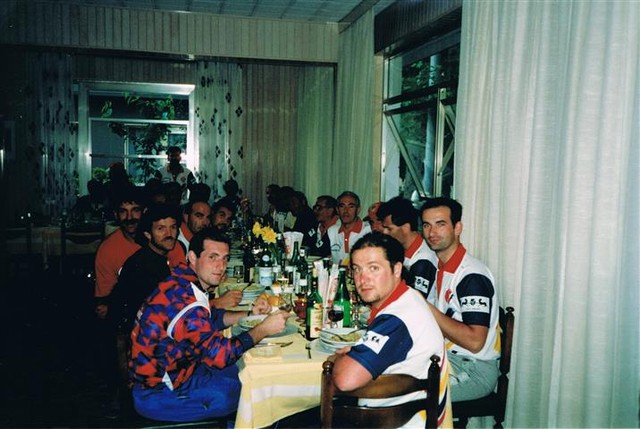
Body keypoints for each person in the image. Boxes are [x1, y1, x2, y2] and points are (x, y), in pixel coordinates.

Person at [129, 228, 290, 422]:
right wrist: (263, 329)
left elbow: (209, 319)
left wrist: (250, 315)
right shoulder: (186, 302)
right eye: (212, 257)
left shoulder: (181, 280)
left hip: (177, 371)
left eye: (225, 259)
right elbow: (221, 355)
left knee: (248, 374)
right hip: (159, 393)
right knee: (254, 390)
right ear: (193, 257)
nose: (221, 266)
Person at [327, 232, 450, 427]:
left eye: (373, 268)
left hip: (396, 423)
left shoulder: (397, 319)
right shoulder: (409, 297)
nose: (363, 279)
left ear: (397, 269)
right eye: (357, 269)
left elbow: (345, 380)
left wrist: (336, 359)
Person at [420, 197, 500, 402]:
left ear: (457, 228)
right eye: (427, 225)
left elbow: (475, 342)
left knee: (402, 393)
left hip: (473, 370)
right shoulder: (441, 267)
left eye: (440, 224)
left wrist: (425, 307)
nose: (432, 232)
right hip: (446, 358)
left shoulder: (472, 276)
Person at [108, 203, 183, 335]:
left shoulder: (156, 258)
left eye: (173, 227)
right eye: (161, 229)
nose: (169, 234)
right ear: (148, 234)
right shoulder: (143, 266)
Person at [378, 196, 438, 304]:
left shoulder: (424, 260)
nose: (385, 233)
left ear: (405, 228)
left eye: (389, 229)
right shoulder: (401, 250)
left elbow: (413, 302)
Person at [327, 191, 371, 266]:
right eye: (342, 206)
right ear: (337, 210)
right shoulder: (331, 231)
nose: (346, 211)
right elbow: (325, 256)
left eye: (351, 207)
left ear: (358, 210)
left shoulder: (368, 231)